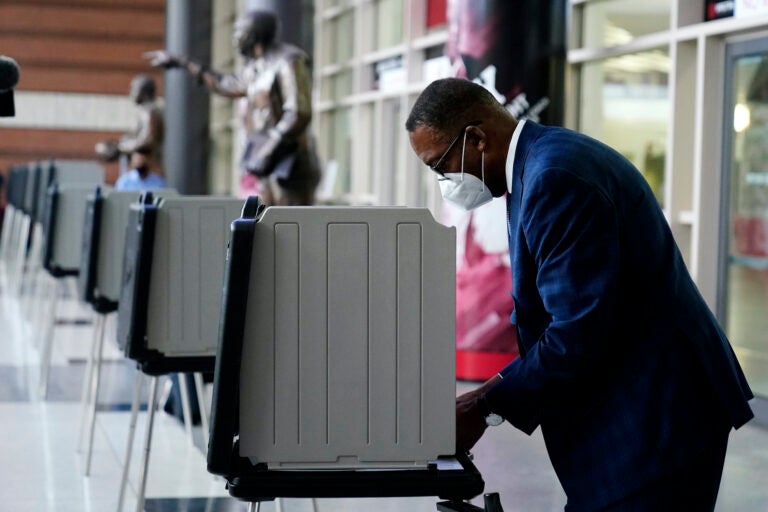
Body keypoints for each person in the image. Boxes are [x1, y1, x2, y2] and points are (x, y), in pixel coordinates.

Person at [405, 78, 754, 511]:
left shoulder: (555, 179)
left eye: (440, 164)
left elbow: (575, 333)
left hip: (657, 414)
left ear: (476, 138)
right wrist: (482, 397)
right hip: (635, 400)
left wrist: (484, 406)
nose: (444, 180)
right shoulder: (538, 164)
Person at [145, 9, 320, 206]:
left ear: (254, 34)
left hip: (291, 167)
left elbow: (299, 113)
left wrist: (269, 148)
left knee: (293, 226)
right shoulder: (255, 68)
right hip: (265, 164)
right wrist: (183, 62)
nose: (235, 39)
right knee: (266, 224)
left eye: (239, 32)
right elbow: (224, 84)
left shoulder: (288, 61)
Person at [95, 74, 164, 176]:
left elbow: (147, 140)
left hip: (149, 170)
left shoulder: (148, 111)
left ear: (143, 91)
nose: (130, 93)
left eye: (133, 89)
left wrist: (122, 147)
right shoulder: (146, 111)